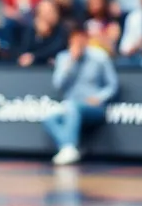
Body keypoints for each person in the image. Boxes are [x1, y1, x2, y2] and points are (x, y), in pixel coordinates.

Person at [42, 24, 118, 166]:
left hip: (94, 108)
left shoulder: (100, 57)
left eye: (81, 38)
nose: (78, 42)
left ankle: (68, 148)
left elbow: (112, 85)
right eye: (75, 39)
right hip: (69, 107)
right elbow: (58, 85)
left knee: (72, 107)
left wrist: (99, 97)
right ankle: (69, 147)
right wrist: (71, 63)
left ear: (87, 39)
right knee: (49, 118)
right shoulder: (63, 58)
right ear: (70, 40)